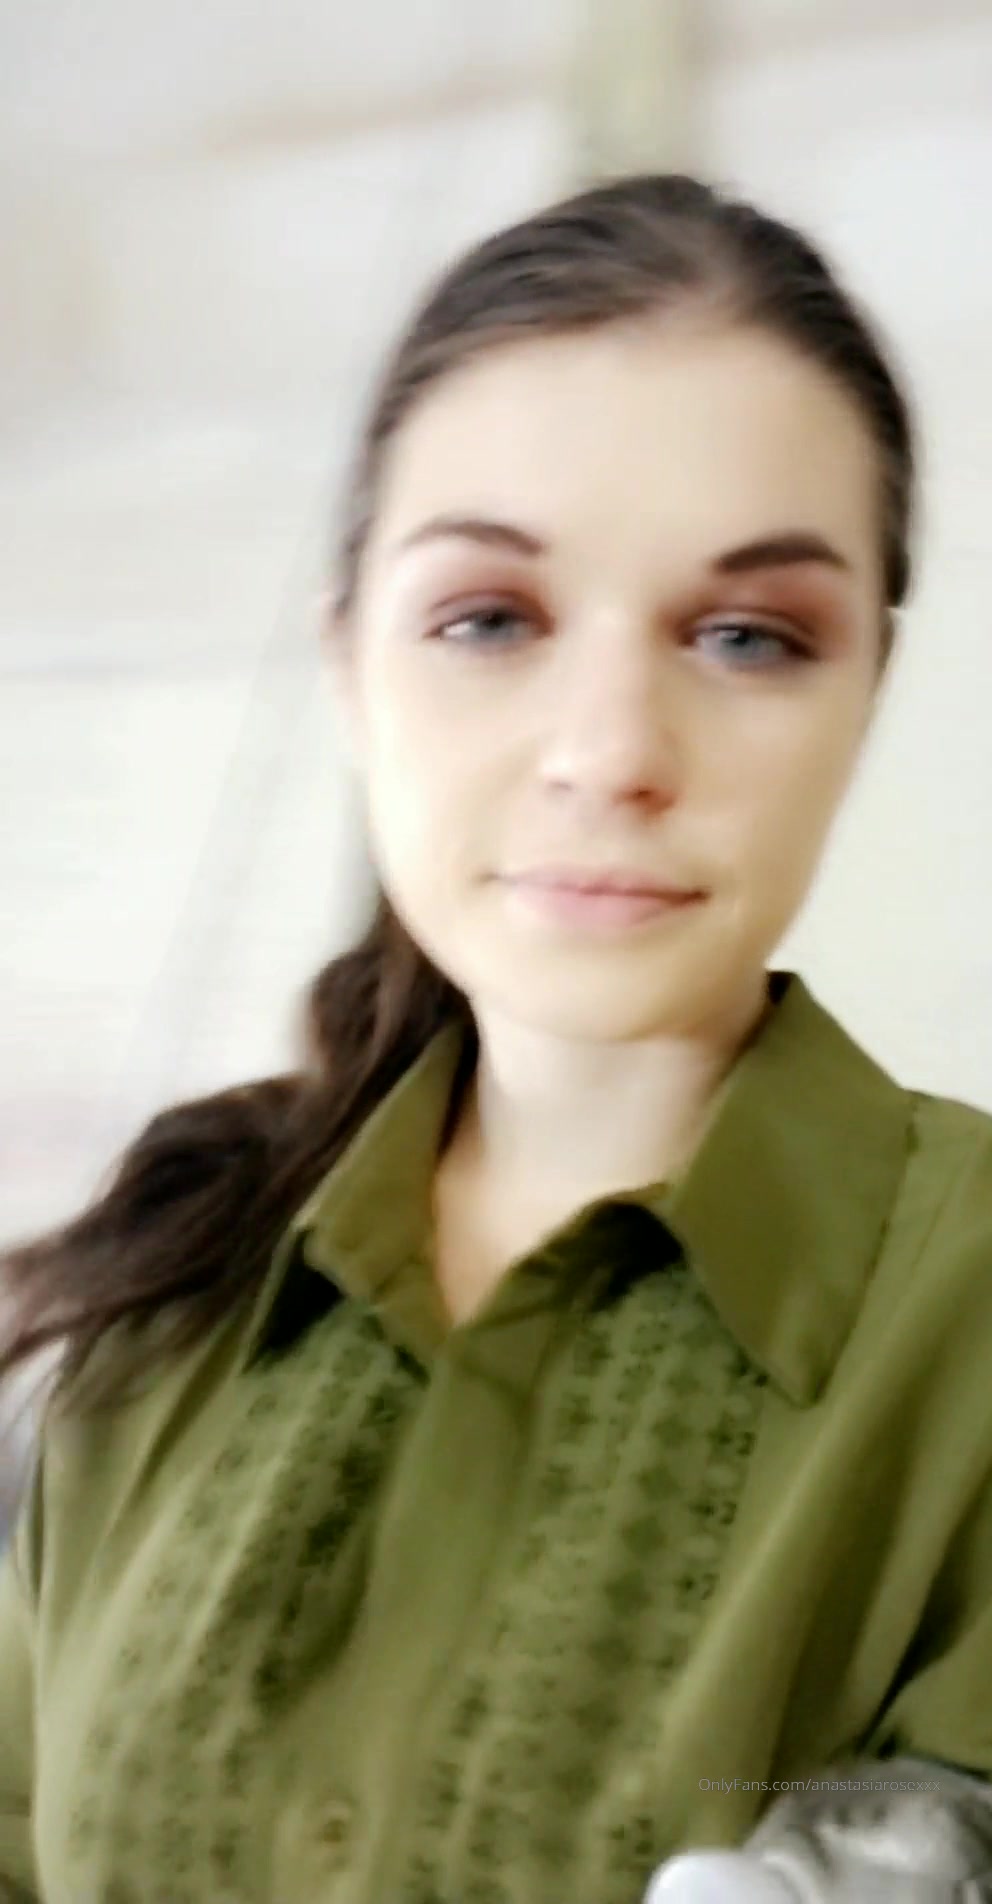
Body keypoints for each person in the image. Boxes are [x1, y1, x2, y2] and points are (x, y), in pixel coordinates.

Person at [1, 171, 991, 1904]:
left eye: (748, 638)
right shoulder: (165, 1285)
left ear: (864, 698)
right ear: (348, 665)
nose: (611, 751)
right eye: (489, 620)